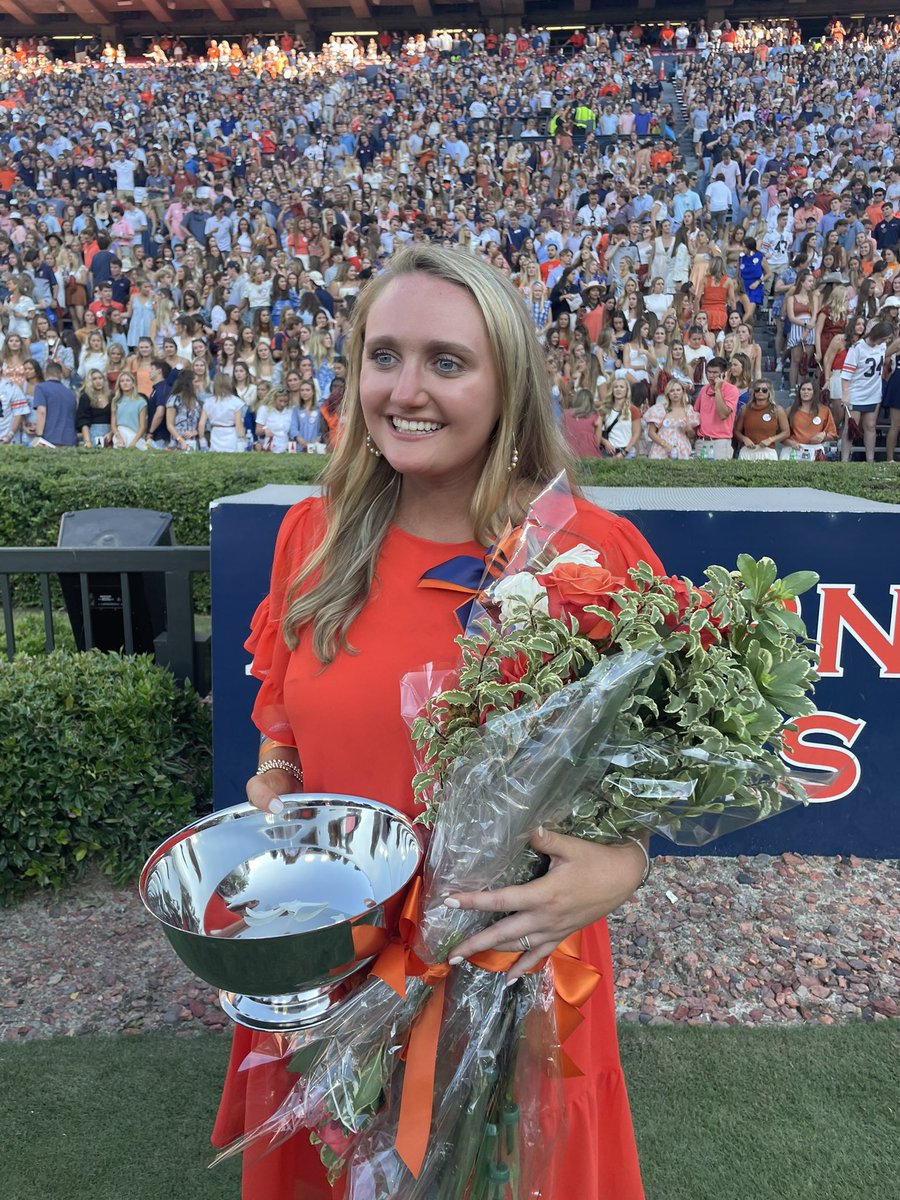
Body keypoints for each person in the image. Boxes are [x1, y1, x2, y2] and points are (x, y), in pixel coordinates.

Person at [214, 246, 661, 1200]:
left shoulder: (590, 551)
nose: (404, 390)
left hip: (517, 973)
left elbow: (647, 779)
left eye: (446, 362)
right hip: (337, 962)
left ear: (509, 382)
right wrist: (279, 777)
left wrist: (621, 866)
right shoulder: (314, 535)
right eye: (384, 356)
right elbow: (284, 716)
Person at [841, 320, 893, 463]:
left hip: (874, 392)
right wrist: (845, 394)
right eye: (885, 337)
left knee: (870, 426)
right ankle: (844, 460)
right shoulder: (857, 348)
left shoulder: (882, 346)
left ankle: (870, 460)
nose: (886, 340)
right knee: (851, 427)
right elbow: (846, 374)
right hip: (856, 392)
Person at [693, 356, 739, 459]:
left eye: (715, 373)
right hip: (702, 441)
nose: (711, 376)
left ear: (723, 374)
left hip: (720, 442)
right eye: (709, 372)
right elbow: (696, 414)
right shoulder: (704, 389)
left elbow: (723, 414)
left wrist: (718, 390)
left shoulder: (732, 390)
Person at [781, 380, 838, 459]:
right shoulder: (790, 411)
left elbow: (833, 434)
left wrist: (823, 435)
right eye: (803, 389)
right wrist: (790, 443)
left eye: (809, 389)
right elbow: (780, 434)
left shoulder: (824, 411)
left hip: (815, 450)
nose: (805, 392)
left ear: (814, 392)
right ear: (799, 392)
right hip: (793, 449)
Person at [733, 380, 789, 460]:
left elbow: (786, 432)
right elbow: (736, 431)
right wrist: (744, 439)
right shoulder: (745, 409)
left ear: (769, 392)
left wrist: (771, 439)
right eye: (757, 389)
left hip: (768, 451)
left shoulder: (777, 410)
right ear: (754, 392)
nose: (760, 392)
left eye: (764, 390)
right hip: (747, 451)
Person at [32, 362, 78, 447]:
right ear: (60, 374)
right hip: (69, 440)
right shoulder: (70, 393)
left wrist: (38, 435)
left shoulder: (41, 388)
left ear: (45, 373)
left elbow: (41, 412)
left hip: (49, 439)